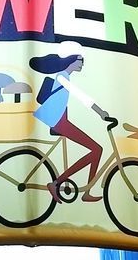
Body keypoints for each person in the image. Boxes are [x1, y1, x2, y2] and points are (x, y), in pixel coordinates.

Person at [29, 48, 113, 202]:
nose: (82, 64)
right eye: (80, 60)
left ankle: (86, 192)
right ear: (71, 60)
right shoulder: (62, 77)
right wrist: (100, 112)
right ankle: (56, 183)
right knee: (97, 149)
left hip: (61, 120)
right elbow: (82, 97)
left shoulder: (65, 77)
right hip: (59, 122)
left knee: (96, 150)